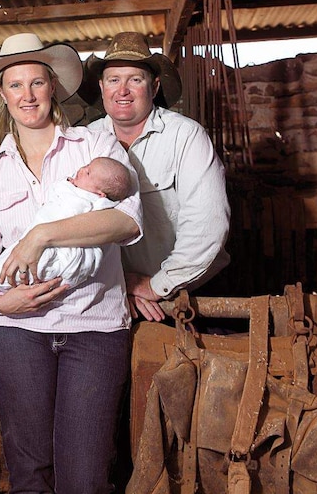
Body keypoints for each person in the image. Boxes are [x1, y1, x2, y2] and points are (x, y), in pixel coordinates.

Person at [0, 32, 143, 492]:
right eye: (16, 85)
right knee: (30, 468)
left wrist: (42, 236)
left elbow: (126, 224)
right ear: (2, 94)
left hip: (93, 327)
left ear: (53, 88)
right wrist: (0, 303)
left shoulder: (95, 147)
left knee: (85, 474)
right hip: (14, 332)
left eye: (37, 83)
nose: (28, 95)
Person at [85, 31, 230, 322]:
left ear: (154, 87)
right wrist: (118, 285)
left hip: (190, 291)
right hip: (117, 294)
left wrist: (157, 284)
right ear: (102, 87)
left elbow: (207, 222)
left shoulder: (185, 135)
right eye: (114, 80)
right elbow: (78, 224)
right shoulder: (87, 140)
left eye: (135, 80)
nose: (122, 90)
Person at [0, 156, 133, 290]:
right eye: (87, 166)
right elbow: (55, 194)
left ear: (100, 194)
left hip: (62, 247)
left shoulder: (92, 201)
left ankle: (28, 280)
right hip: (30, 237)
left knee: (43, 264)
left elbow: (127, 220)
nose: (81, 169)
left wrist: (42, 235)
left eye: (88, 173)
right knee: (7, 262)